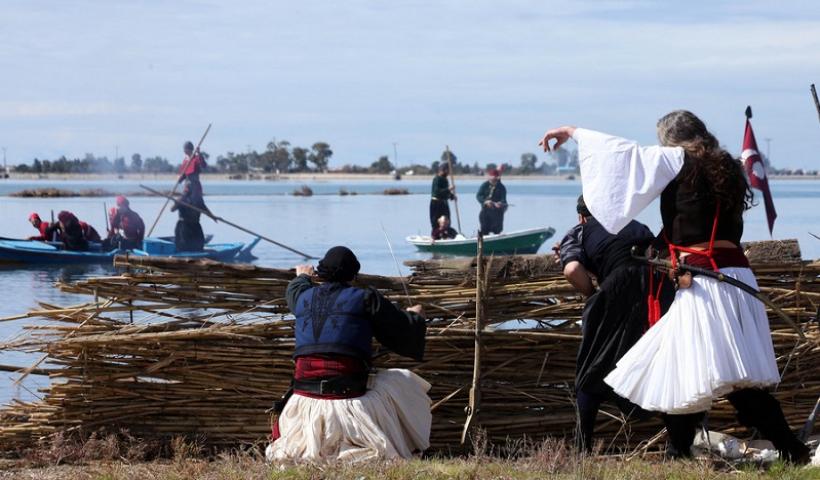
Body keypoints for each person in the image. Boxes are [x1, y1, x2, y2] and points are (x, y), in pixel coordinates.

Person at [540, 111, 809, 463]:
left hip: (708, 281)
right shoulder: (727, 166)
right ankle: (680, 452)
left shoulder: (677, 160)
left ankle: (790, 450)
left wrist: (574, 132)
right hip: (733, 276)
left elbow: (622, 154)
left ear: (671, 141)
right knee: (685, 365)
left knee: (725, 376)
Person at [266, 246, 431, 463]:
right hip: (349, 397)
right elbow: (400, 329)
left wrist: (303, 277)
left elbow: (294, 291)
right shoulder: (365, 299)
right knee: (406, 383)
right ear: (354, 276)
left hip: (302, 399)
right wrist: (415, 318)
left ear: (320, 273)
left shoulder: (304, 298)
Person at [558, 195, 672, 452]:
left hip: (616, 291)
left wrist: (593, 294)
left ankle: (582, 448)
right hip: (654, 294)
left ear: (581, 216)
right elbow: (656, 253)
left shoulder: (579, 231)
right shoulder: (636, 225)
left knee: (590, 370)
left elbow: (572, 270)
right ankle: (679, 444)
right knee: (655, 365)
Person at [171, 179, 210, 252]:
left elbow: (205, 209)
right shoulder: (182, 199)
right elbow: (172, 209)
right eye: (189, 187)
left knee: (199, 244)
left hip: (195, 225)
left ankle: (199, 256)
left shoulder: (198, 199)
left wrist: (213, 217)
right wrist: (177, 203)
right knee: (183, 246)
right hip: (184, 226)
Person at [476, 168, 507, 235]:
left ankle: (498, 243)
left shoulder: (501, 187)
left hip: (497, 212)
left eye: (495, 177)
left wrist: (500, 203)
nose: (493, 179)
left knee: (497, 231)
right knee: (484, 229)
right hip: (485, 211)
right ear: (489, 177)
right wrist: (485, 201)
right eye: (492, 177)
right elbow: (478, 196)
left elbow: (504, 200)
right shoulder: (484, 185)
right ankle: (480, 243)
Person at [429, 164, 456, 230]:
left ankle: (446, 235)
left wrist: (452, 196)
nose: (448, 173)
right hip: (436, 203)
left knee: (446, 221)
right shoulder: (437, 179)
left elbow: (446, 193)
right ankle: (436, 236)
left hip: (444, 203)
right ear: (442, 170)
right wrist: (448, 189)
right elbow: (437, 192)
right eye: (447, 171)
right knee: (436, 222)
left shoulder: (445, 180)